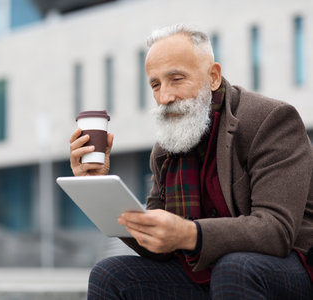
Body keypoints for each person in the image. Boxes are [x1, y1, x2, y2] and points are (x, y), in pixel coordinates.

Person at [69, 24, 313, 299]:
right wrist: (97, 186)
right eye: (156, 84)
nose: (165, 97)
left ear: (213, 77)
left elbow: (276, 230)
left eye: (176, 79)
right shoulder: (166, 147)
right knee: (110, 274)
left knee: (234, 267)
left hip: (290, 266)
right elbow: (159, 247)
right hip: (204, 272)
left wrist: (190, 233)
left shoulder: (271, 120)